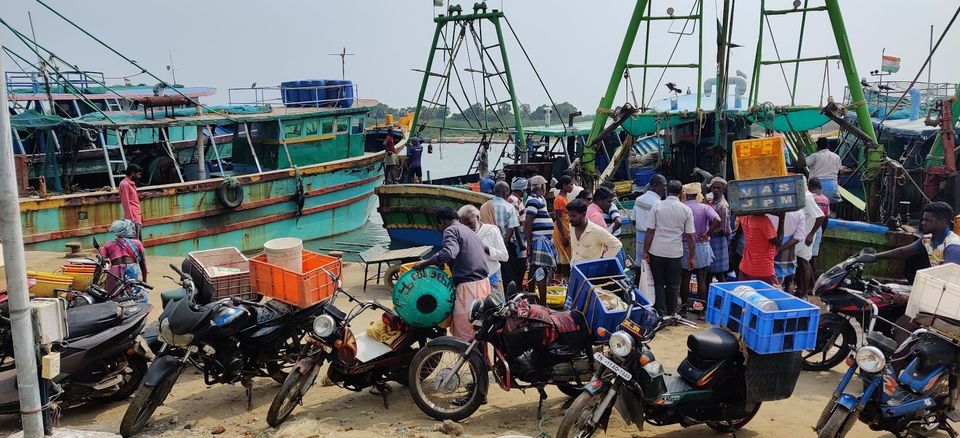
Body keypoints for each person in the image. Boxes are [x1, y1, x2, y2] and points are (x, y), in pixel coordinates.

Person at [413, 207, 490, 341]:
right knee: (478, 331)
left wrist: (425, 263)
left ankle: (472, 360)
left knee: (465, 335)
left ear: (442, 222)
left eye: (440, 226)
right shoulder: (468, 230)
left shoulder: (450, 230)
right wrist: (442, 263)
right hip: (483, 284)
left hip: (469, 287)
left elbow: (449, 252)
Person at [643, 180, 696, 316]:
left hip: (657, 251)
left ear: (667, 191)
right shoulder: (686, 209)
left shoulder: (657, 206)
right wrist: (691, 257)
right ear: (681, 193)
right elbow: (690, 236)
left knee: (659, 283)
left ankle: (661, 313)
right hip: (675, 253)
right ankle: (672, 314)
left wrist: (645, 251)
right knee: (673, 285)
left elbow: (650, 231)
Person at [861, 202, 960, 267]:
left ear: (943, 222)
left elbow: (948, 280)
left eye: (928, 220)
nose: (923, 223)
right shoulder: (927, 239)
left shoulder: (952, 246)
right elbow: (902, 252)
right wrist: (874, 257)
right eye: (923, 219)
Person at [680, 183, 720, 313]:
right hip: (702, 245)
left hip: (685, 245)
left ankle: (684, 310)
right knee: (702, 280)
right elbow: (718, 220)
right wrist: (707, 234)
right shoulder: (704, 208)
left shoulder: (683, 207)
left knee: (685, 279)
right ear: (698, 195)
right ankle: (702, 312)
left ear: (686, 195)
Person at [458, 205, 509, 300]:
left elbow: (504, 256)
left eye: (470, 223)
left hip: (492, 276)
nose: (468, 227)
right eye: (464, 225)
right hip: (472, 280)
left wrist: (485, 248)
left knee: (497, 308)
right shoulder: (461, 235)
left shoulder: (491, 230)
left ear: (477, 218)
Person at [524, 175, 558, 303]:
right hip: (539, 239)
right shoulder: (533, 200)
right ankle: (542, 303)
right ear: (542, 186)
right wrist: (529, 243)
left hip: (542, 239)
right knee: (540, 269)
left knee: (534, 269)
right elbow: (528, 222)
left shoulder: (538, 199)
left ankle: (531, 298)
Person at [100, 219, 148, 303]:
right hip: (132, 270)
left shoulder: (108, 245)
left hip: (115, 272)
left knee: (113, 296)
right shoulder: (137, 243)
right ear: (127, 230)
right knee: (138, 295)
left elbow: (101, 262)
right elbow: (143, 264)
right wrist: (145, 281)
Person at [795, 181, 827, 296]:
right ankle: (800, 289)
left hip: (806, 234)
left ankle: (804, 292)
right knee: (800, 262)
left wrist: (811, 234)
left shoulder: (807, 198)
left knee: (804, 262)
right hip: (801, 234)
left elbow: (821, 216)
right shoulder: (802, 197)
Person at [568, 199, 623, 265]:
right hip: (574, 268)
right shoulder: (571, 227)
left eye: (574, 216)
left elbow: (617, 245)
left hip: (591, 271)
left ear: (583, 214)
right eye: (569, 215)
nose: (570, 219)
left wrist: (602, 261)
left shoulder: (596, 230)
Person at [488, 181, 521, 288]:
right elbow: (512, 227)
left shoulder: (487, 205)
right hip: (506, 244)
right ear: (505, 191)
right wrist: (504, 243)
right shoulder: (508, 206)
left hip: (490, 244)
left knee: (494, 270)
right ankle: (510, 294)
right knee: (510, 271)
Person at [738, 213, 786, 285]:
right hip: (763, 268)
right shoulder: (763, 221)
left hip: (746, 266)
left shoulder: (744, 217)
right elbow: (778, 242)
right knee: (774, 294)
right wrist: (782, 219)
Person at [800, 137, 850, 204]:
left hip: (817, 187)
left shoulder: (815, 156)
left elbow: (801, 164)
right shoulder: (836, 157)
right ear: (827, 145)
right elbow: (839, 172)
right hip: (832, 187)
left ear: (817, 146)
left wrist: (799, 151)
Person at [633, 175, 666, 263]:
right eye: (664, 186)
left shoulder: (638, 200)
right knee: (652, 265)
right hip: (654, 238)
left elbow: (634, 220)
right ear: (655, 186)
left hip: (640, 236)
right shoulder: (659, 204)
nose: (665, 189)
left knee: (641, 264)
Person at [770, 210, 806, 292]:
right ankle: (788, 303)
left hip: (770, 246)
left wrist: (777, 249)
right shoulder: (799, 211)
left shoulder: (769, 210)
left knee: (774, 280)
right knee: (789, 280)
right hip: (789, 249)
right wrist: (780, 249)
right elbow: (799, 237)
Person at [706, 177, 732, 283]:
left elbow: (724, 229)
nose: (716, 190)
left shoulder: (722, 206)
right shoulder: (712, 202)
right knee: (709, 271)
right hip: (712, 239)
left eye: (718, 188)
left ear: (723, 190)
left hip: (718, 241)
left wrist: (708, 232)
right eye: (714, 188)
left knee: (718, 272)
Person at [507, 177, 528, 287]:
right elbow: (514, 223)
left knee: (522, 264)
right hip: (518, 237)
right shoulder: (514, 200)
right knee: (520, 264)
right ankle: (517, 287)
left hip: (520, 235)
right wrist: (520, 242)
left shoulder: (516, 200)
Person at [553, 175, 574, 273]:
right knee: (563, 253)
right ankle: (561, 277)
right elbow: (558, 217)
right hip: (561, 230)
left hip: (567, 227)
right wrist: (563, 235)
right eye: (571, 185)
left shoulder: (566, 197)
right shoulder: (559, 199)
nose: (572, 187)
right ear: (564, 185)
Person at [808, 178, 831, 269]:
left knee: (803, 258)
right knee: (814, 256)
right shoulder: (826, 199)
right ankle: (813, 279)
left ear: (809, 186)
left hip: (809, 227)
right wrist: (821, 232)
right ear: (820, 187)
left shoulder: (809, 197)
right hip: (819, 228)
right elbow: (826, 218)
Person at [119, 164, 143, 241]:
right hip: (133, 218)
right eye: (138, 174)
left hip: (136, 216)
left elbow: (131, 199)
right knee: (135, 242)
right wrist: (131, 220)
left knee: (138, 241)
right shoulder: (125, 184)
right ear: (133, 173)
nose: (139, 177)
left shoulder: (131, 183)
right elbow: (125, 202)